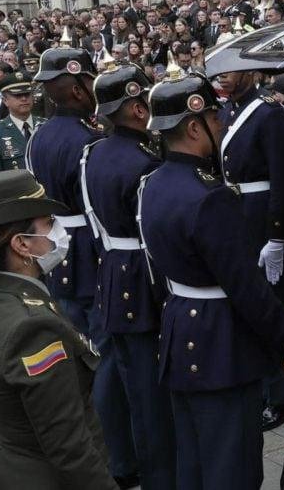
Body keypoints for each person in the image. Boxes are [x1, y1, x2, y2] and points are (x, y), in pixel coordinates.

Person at [137, 71, 284, 490]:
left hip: (180, 332)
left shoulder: (153, 183)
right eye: (214, 118)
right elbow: (250, 294)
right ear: (193, 126)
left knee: (194, 463)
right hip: (220, 344)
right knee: (233, 468)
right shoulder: (210, 197)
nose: (221, 125)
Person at [0, 170, 118, 489]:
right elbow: (68, 446)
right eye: (48, 222)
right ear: (21, 244)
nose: (58, 231)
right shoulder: (33, 327)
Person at [27, 35, 138, 486]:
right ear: (76, 88)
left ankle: (97, 444)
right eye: (90, 82)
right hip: (90, 249)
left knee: (80, 355)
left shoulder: (39, 137)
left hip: (58, 251)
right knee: (105, 357)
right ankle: (118, 456)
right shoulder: (89, 141)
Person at [80, 60, 175, 490]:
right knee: (153, 396)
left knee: (130, 382)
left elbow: (95, 224)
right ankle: (161, 477)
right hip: (145, 280)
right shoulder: (147, 162)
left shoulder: (94, 151)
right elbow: (155, 235)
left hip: (113, 274)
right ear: (138, 109)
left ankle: (131, 463)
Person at [213, 67, 284, 430]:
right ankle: (261, 386)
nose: (221, 78)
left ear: (249, 72)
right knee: (249, 307)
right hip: (239, 220)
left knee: (274, 309)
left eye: (229, 72)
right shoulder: (228, 111)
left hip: (265, 223)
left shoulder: (271, 113)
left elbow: (283, 179)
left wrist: (278, 237)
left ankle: (281, 396)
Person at [0, 73, 41, 172]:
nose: (24, 99)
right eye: (17, 95)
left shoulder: (46, 126)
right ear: (5, 101)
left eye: (27, 94)